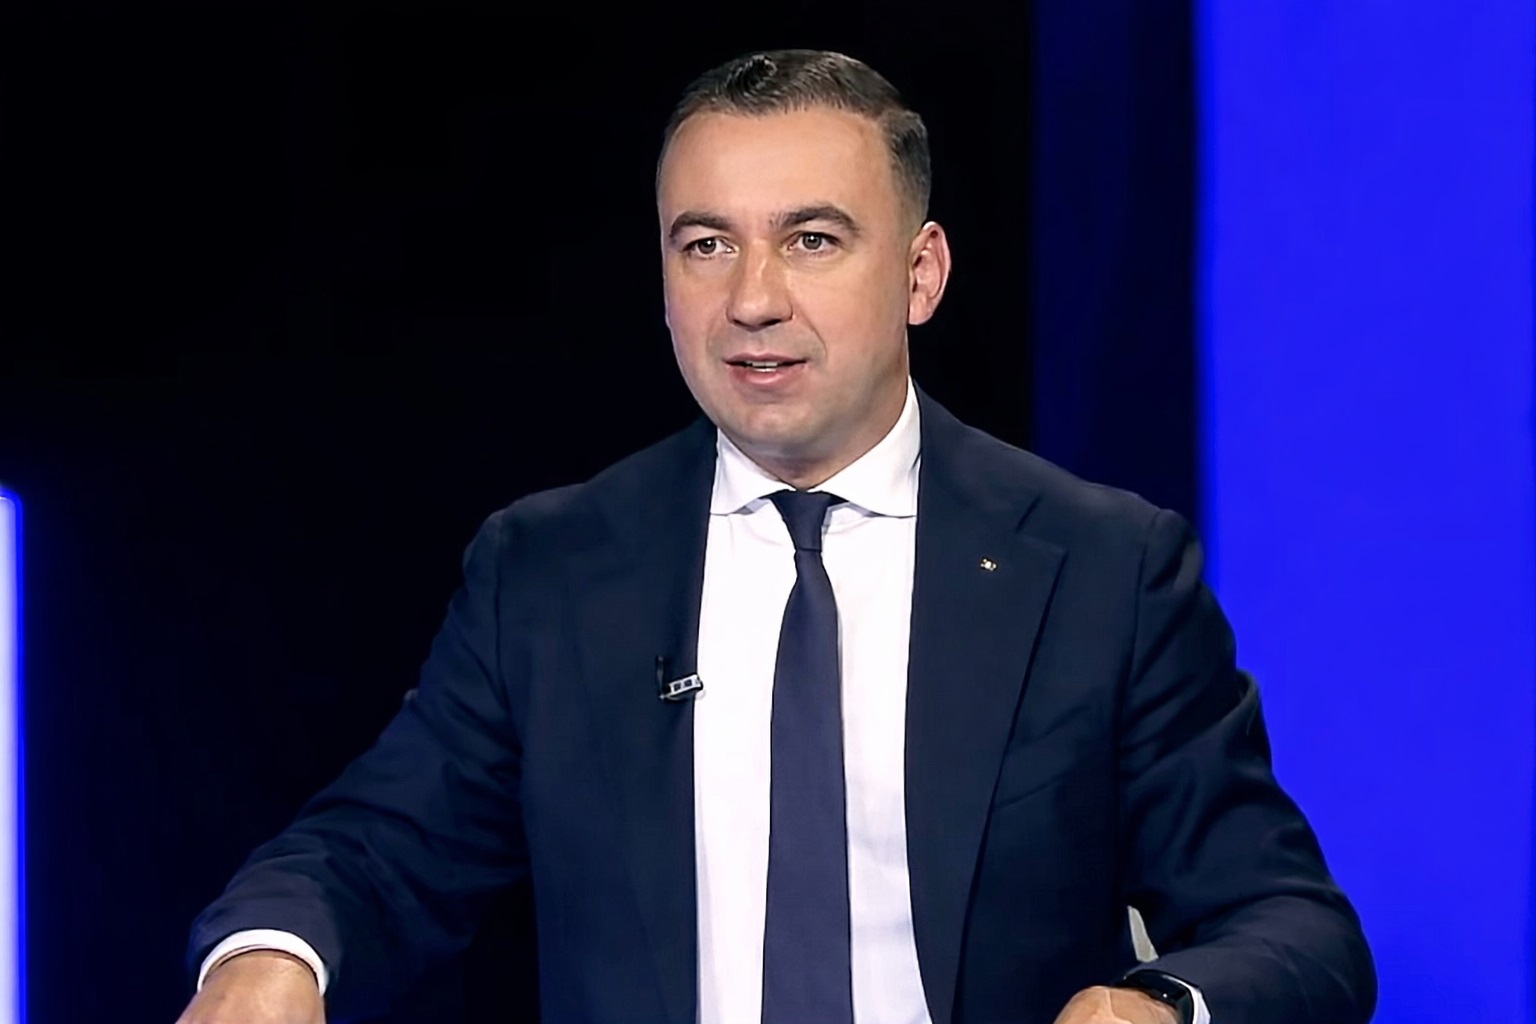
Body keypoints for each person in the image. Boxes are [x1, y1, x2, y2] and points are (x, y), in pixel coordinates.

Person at [177, 49, 1375, 1024]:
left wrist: (1158, 1005)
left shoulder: (1104, 569)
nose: (752, 299)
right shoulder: (552, 572)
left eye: (812, 239)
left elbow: (1293, 926)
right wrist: (272, 956)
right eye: (706, 244)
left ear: (920, 273)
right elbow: (380, 846)